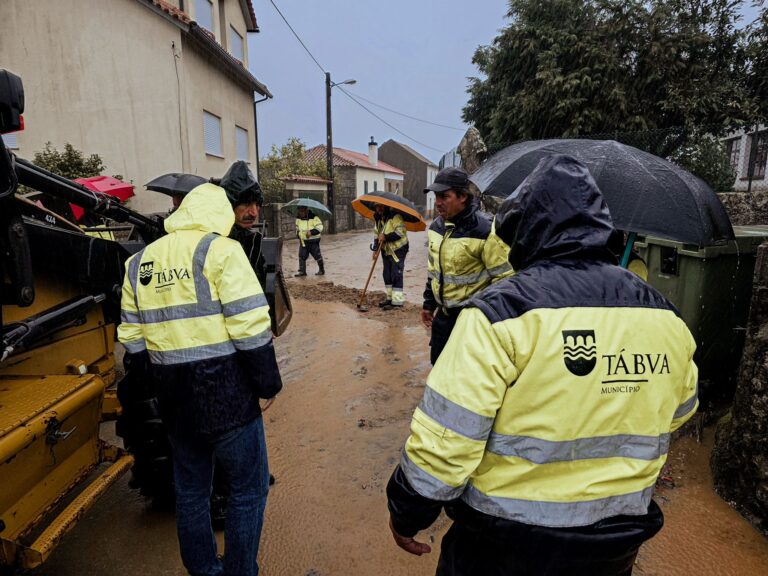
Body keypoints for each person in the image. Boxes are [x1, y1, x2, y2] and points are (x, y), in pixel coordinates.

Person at [387, 155, 699, 576]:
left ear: (524, 233)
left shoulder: (496, 316)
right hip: (613, 547)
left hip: (503, 546)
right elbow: (680, 410)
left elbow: (447, 440)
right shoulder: (664, 315)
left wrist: (407, 513)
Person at [118, 181, 282, 576]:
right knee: (247, 490)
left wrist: (159, 391)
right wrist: (267, 386)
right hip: (227, 397)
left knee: (191, 492)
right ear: (219, 215)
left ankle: (205, 569)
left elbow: (132, 340)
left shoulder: (138, 262)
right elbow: (251, 329)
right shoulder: (223, 252)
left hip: (176, 403)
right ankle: (240, 571)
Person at [421, 166, 513, 365]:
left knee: (467, 377)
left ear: (462, 196)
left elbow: (505, 281)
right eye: (436, 196)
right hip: (443, 318)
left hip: (473, 322)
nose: (437, 203)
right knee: (439, 368)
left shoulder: (486, 230)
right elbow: (433, 272)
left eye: (444, 197)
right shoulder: (436, 227)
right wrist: (429, 304)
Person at [217, 161, 267, 287]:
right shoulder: (211, 241)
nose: (254, 213)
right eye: (246, 204)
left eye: (257, 205)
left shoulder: (253, 241)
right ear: (228, 204)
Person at [372, 204, 408, 310]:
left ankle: (397, 302)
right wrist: (375, 249)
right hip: (386, 250)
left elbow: (400, 232)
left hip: (398, 249)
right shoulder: (378, 219)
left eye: (381, 207)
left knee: (396, 274)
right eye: (377, 207)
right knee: (386, 274)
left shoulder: (395, 217)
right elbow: (376, 235)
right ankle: (389, 298)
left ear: (386, 207)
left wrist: (386, 237)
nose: (379, 208)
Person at [294, 205, 325, 276]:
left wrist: (311, 232)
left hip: (313, 241)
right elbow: (297, 228)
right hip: (303, 241)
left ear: (306, 210)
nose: (300, 213)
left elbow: (320, 227)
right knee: (301, 255)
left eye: (302, 211)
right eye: (299, 211)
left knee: (317, 255)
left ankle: (321, 270)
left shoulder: (314, 217)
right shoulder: (298, 218)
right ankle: (302, 271)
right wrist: (298, 234)